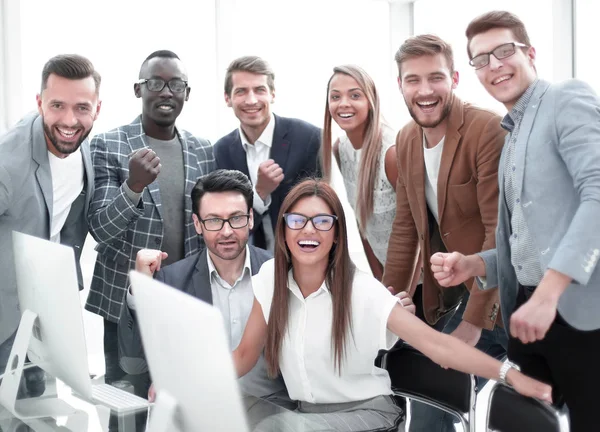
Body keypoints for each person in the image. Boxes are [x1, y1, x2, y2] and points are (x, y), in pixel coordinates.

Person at [232, 179, 551, 432]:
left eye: (322, 221)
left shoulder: (361, 291)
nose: (309, 230)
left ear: (337, 235)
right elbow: (245, 355)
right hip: (304, 414)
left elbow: (438, 346)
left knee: (276, 429)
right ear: (284, 229)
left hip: (367, 417)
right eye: (297, 220)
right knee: (230, 411)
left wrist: (509, 374)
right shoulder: (270, 278)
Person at [431, 11, 600, 432]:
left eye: (504, 51)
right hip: (525, 315)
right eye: (481, 59)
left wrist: (549, 293)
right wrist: (476, 264)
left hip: (580, 314)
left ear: (531, 53)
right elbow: (530, 235)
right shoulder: (511, 133)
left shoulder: (567, 98)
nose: (494, 65)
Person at [381, 34, 507, 431]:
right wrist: (382, 305)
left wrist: (473, 325)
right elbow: (405, 229)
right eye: (413, 80)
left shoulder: (486, 130)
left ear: (454, 78)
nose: (425, 90)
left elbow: (497, 235)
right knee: (410, 386)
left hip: (500, 300)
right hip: (446, 295)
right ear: (400, 85)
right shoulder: (404, 139)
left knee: (433, 402)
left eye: (435, 77)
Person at [86, 50, 215, 391]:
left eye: (176, 84)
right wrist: (133, 186)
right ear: (137, 89)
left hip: (186, 299)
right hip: (126, 302)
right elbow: (100, 227)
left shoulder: (204, 149)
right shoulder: (106, 144)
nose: (166, 91)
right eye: (155, 82)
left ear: (187, 93)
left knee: (185, 401)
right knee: (128, 405)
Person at [119, 169, 286, 400]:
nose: (226, 232)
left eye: (236, 218)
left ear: (250, 219)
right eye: (214, 220)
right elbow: (133, 364)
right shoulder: (173, 281)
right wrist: (140, 290)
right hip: (200, 408)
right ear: (197, 224)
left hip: (271, 408)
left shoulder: (279, 272)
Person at [0, 54, 100, 390]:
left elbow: (69, 224)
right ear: (40, 103)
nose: (70, 120)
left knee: (38, 414)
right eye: (57, 105)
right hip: (4, 321)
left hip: (44, 316)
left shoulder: (83, 147)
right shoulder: (7, 162)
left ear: (97, 108)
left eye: (82, 108)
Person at [214, 56, 322, 252]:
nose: (251, 100)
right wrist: (260, 193)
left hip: (301, 259)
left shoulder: (309, 139)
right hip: (247, 265)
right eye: (241, 91)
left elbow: (320, 211)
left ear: (272, 94)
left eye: (259, 90)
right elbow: (226, 224)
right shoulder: (221, 151)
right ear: (227, 98)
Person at [322, 65, 410, 282]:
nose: (343, 103)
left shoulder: (391, 154)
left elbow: (420, 231)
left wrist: (400, 289)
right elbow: (364, 226)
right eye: (335, 96)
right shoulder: (340, 149)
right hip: (387, 278)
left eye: (355, 95)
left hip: (421, 280)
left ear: (371, 101)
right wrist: (380, 282)